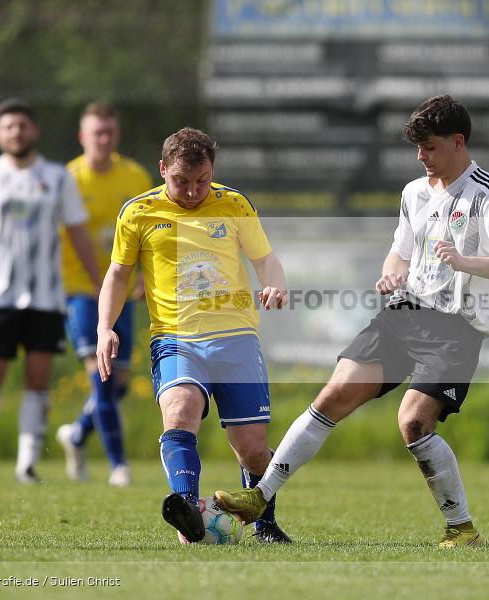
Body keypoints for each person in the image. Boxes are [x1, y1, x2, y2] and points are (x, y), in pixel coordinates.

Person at [215, 95, 489, 548]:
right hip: (404, 315)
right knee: (332, 396)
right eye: (417, 148)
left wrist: (465, 261)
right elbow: (400, 252)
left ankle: (461, 528)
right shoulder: (414, 192)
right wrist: (392, 272)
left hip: (456, 328)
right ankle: (260, 497)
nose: (421, 156)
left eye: (430, 147)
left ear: (458, 142)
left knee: (413, 423)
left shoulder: (488, 193)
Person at [95, 127, 293, 544]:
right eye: (181, 182)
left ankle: (265, 523)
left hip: (237, 337)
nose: (191, 192)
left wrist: (274, 283)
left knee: (253, 449)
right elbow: (117, 274)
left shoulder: (234, 204)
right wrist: (104, 328)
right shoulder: (138, 212)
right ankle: (187, 509)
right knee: (180, 412)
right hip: (176, 338)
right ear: (163, 168)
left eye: (201, 181)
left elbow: (266, 258)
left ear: (212, 171)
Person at [0, 98, 101, 484]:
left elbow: (78, 233)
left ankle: (26, 463)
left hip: (47, 297)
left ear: (35, 131)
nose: (16, 133)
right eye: (8, 127)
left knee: (38, 377)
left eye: (22, 126)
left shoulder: (58, 177)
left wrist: (99, 283)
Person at [55, 103, 152, 487]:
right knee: (104, 376)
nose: (104, 138)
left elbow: (151, 230)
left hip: (122, 293)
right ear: (83, 137)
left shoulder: (134, 175)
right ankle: (119, 466)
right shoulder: (69, 179)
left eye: (109, 131)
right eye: (97, 132)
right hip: (80, 290)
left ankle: (77, 434)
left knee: (122, 381)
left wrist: (145, 274)